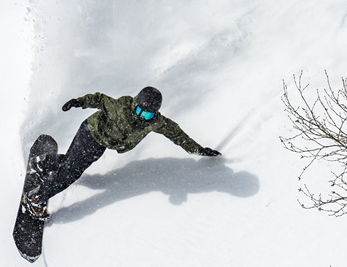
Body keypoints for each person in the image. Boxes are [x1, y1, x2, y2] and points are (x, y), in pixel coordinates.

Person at [22, 86, 221, 219]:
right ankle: (35, 198)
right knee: (71, 172)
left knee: (74, 163)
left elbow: (177, 134)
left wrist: (198, 149)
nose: (143, 117)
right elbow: (99, 99)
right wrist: (78, 102)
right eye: (141, 111)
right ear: (136, 105)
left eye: (148, 114)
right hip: (90, 133)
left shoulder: (155, 122)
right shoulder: (122, 107)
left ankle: (44, 162)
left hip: (101, 144)